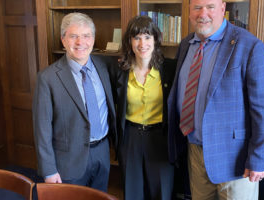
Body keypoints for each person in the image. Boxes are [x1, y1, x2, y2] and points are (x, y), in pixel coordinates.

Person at [167, 0, 264, 199]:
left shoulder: (248, 45)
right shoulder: (186, 44)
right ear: (189, 11)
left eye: (210, 6)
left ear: (223, 8)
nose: (203, 14)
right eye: (197, 7)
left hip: (235, 159)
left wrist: (259, 158)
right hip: (195, 152)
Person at [32, 12, 117, 192]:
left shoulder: (104, 67)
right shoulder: (47, 78)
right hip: (68, 162)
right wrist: (49, 170)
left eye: (86, 36)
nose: (80, 42)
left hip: (102, 153)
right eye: (73, 36)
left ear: (93, 39)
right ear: (63, 40)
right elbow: (42, 129)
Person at [109, 15, 176, 199]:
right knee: (133, 192)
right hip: (130, 139)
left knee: (161, 192)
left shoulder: (170, 69)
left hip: (160, 138)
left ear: (155, 40)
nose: (142, 43)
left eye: (147, 37)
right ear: (129, 41)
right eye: (136, 37)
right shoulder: (119, 71)